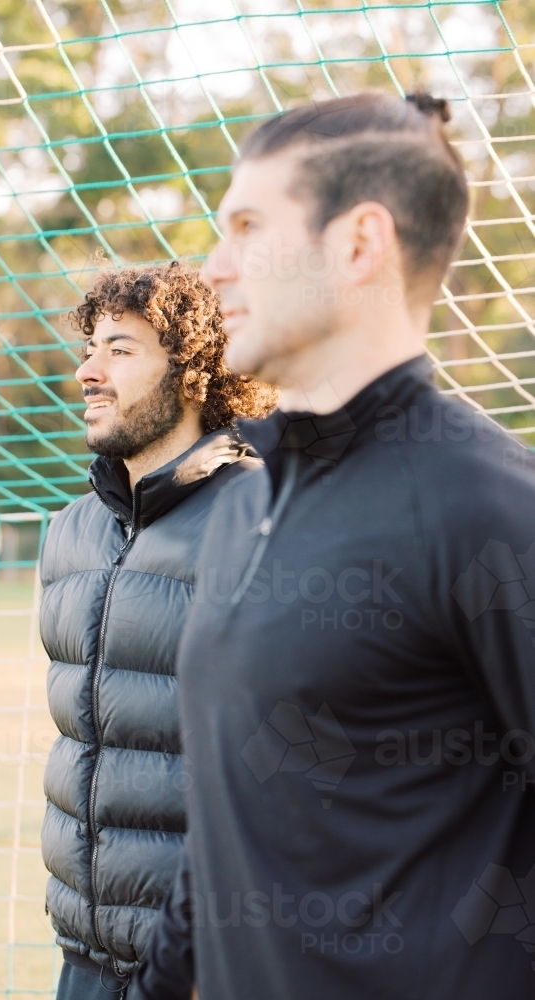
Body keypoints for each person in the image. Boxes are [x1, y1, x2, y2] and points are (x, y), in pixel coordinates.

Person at [133, 92, 535, 1000]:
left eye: (245, 227)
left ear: (357, 244)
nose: (213, 267)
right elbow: (229, 824)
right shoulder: (241, 506)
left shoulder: (490, 509)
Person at [38, 261, 276, 999]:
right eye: (90, 349)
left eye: (120, 349)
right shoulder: (70, 533)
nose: (88, 371)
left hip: (206, 962)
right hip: (83, 952)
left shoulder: (263, 518)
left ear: (194, 372)